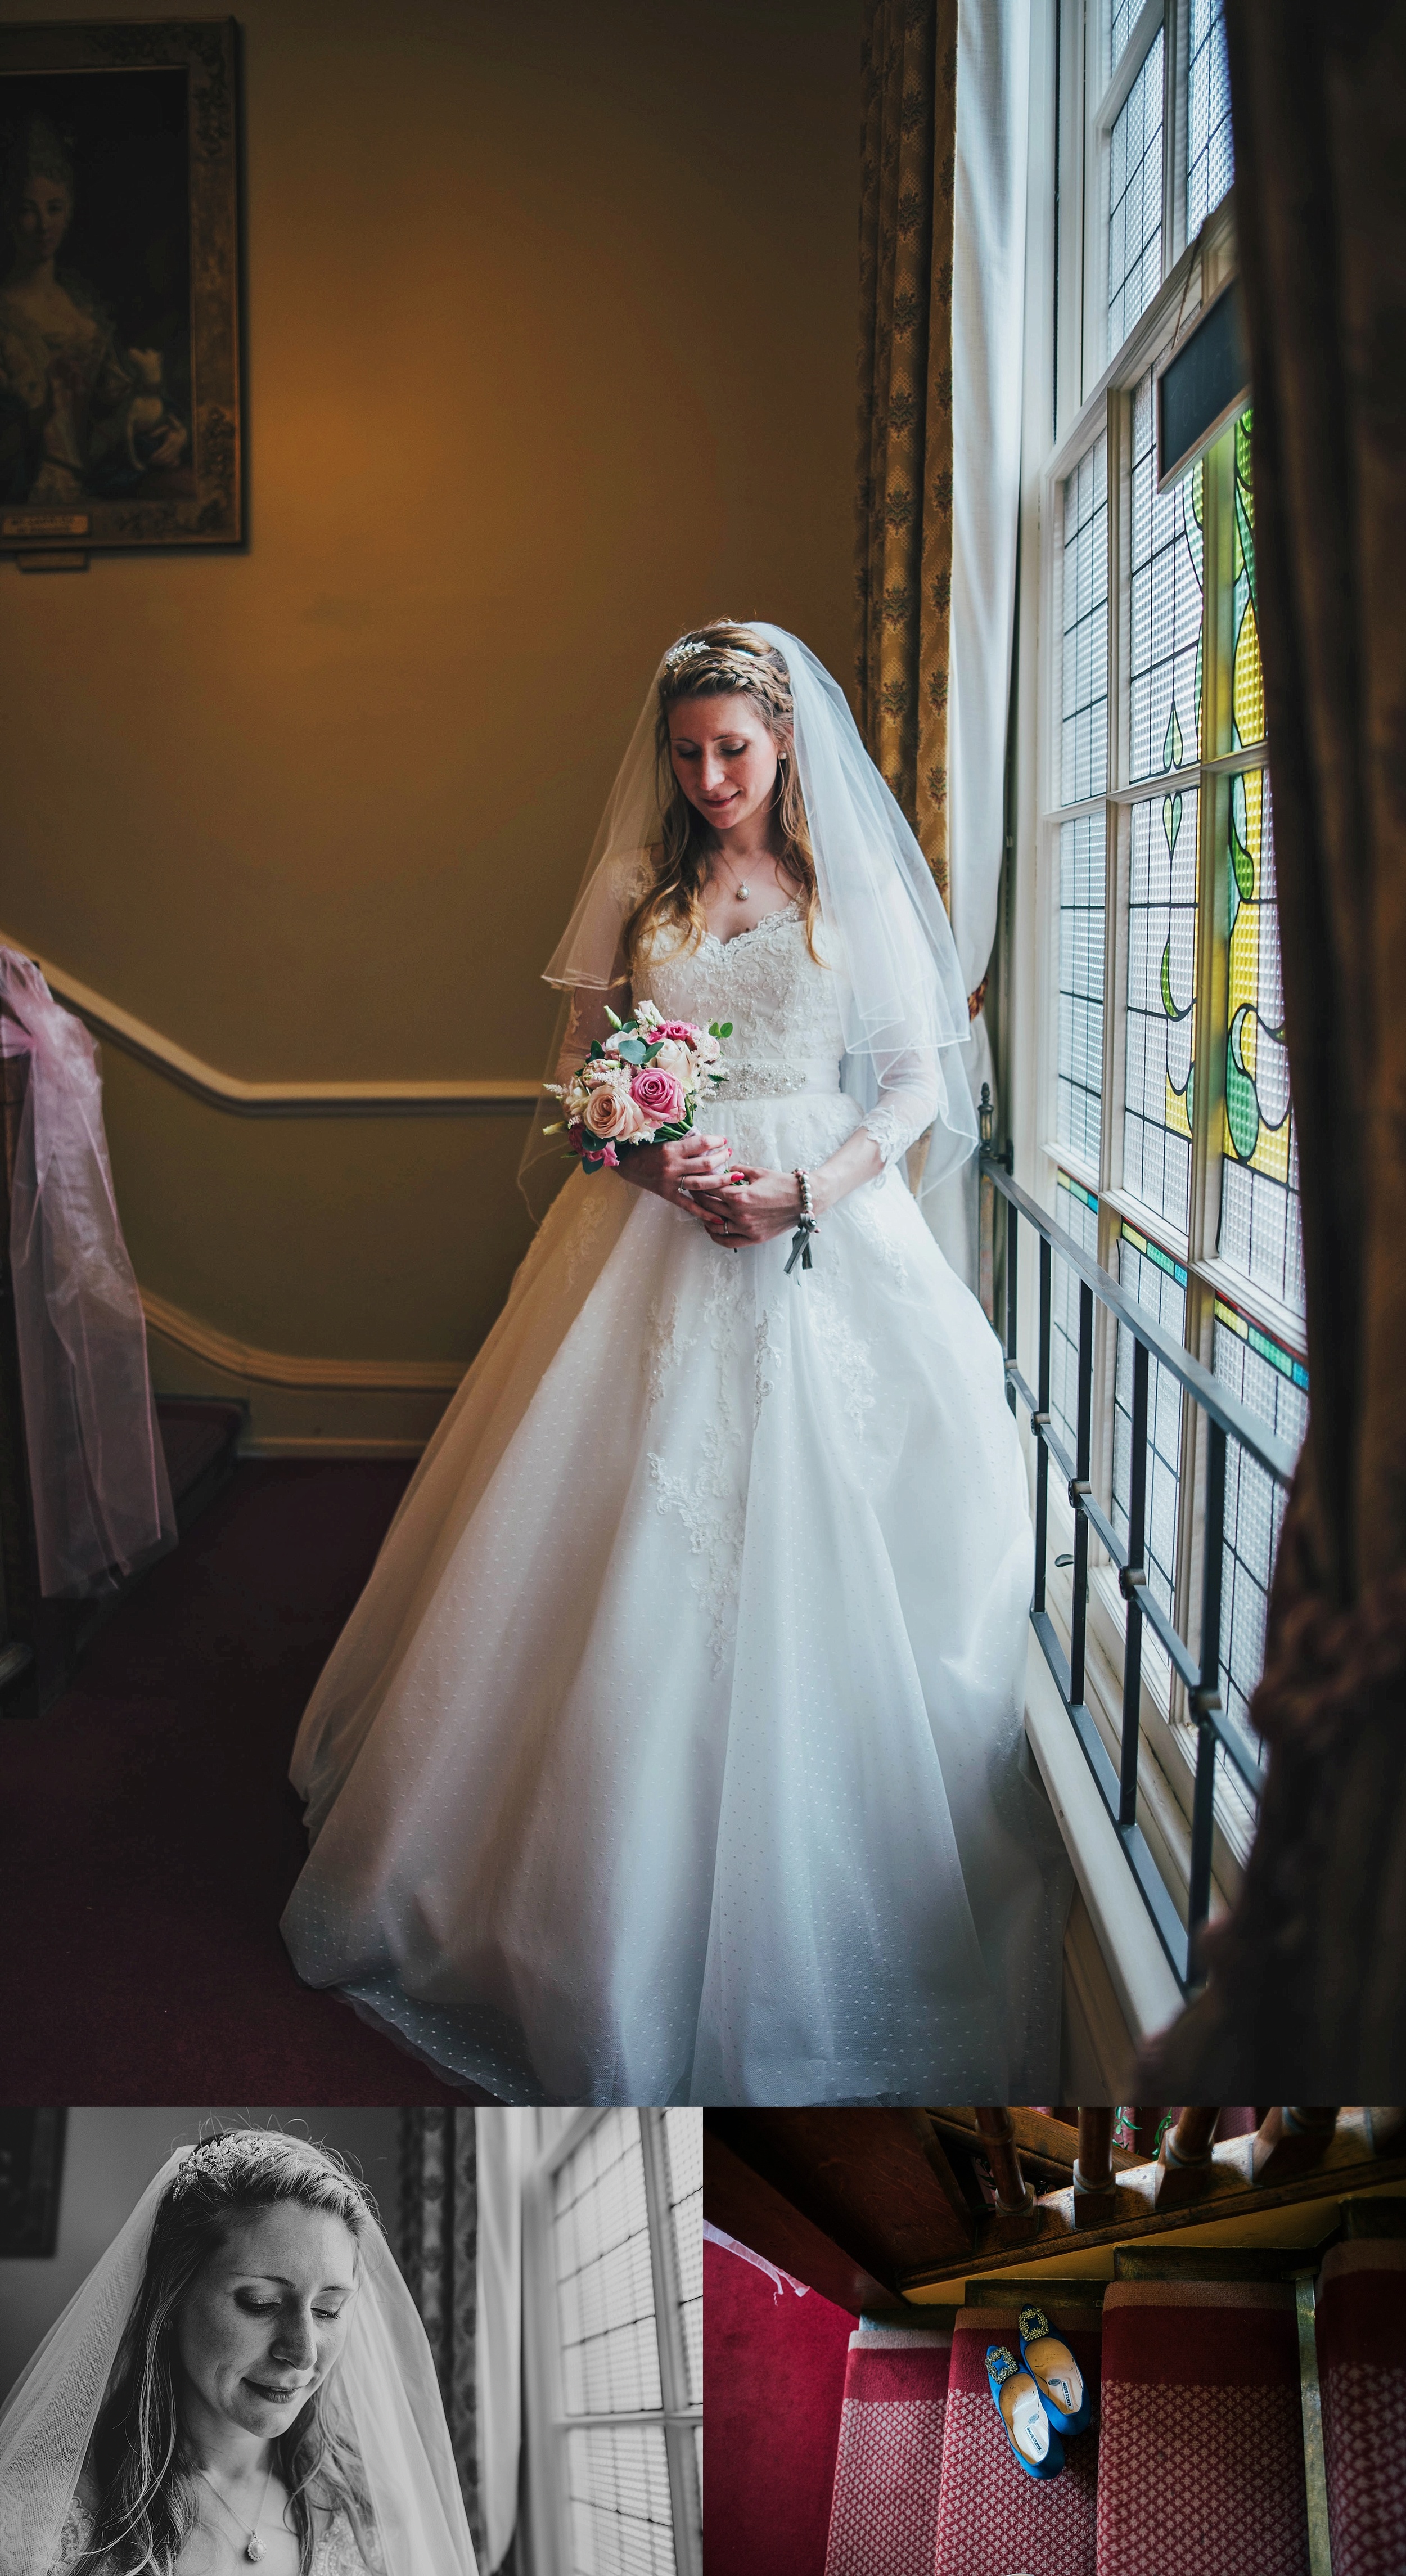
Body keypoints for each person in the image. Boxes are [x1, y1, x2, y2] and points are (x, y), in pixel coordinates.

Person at [281, 620, 1070, 2105]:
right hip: (654, 1220)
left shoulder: (841, 891)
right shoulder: (635, 892)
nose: (710, 778)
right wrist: (657, 1174)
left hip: (819, 1221)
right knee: (601, 1531)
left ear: (783, 747)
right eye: (690, 752)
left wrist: (801, 1192)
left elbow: (911, 1080)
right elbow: (580, 1084)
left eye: (735, 751)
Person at [0, 2129, 476, 2575]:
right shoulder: (33, 2518)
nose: (303, 2352)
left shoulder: (368, 2521)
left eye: (329, 2310)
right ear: (173, 2298)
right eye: (261, 2303)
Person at [0, 115, 187, 507]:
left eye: (54, 208)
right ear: (8, 216)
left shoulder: (85, 313)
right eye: (28, 210)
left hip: (97, 489)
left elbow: (116, 413)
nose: (42, 226)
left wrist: (165, 427)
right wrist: (40, 417)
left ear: (69, 212)